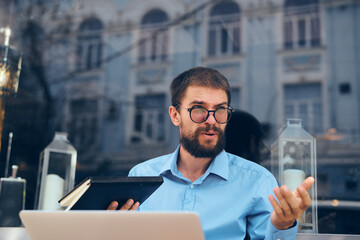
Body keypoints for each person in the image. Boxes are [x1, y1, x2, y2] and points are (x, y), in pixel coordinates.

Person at [108, 67, 314, 240]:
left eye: (220, 110)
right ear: (175, 115)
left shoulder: (257, 181)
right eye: (199, 109)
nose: (212, 120)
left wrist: (283, 224)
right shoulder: (142, 175)